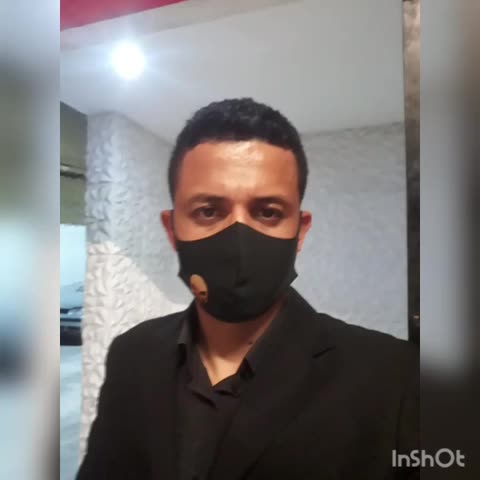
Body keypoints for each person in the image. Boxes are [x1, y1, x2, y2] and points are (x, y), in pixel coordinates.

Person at [77, 98, 419, 480]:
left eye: (268, 212)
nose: (238, 239)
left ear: (300, 231)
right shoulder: (131, 354)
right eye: (208, 211)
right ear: (172, 230)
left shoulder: (396, 380)